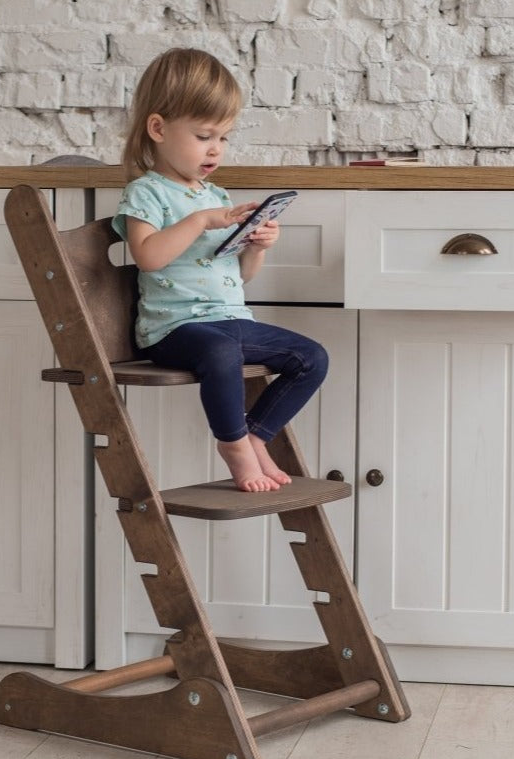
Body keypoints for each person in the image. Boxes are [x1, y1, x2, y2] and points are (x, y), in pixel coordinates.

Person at [112, 47, 328, 492]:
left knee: (312, 358)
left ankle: (255, 433)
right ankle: (232, 444)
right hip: (175, 329)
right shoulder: (147, 192)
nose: (215, 149)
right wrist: (200, 221)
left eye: (224, 138)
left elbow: (240, 277)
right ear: (158, 128)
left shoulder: (216, 195)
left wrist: (257, 246)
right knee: (221, 354)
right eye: (204, 135)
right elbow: (148, 257)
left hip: (229, 320)